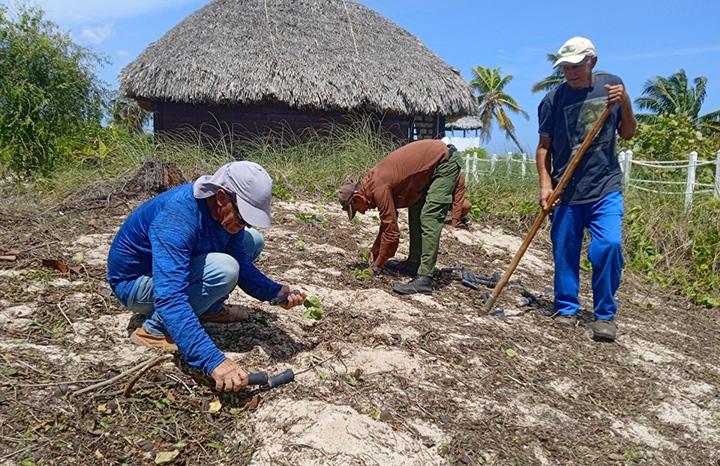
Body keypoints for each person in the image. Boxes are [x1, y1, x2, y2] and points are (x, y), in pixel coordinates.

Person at [107, 161, 307, 392]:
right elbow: (170, 297)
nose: (247, 223)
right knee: (225, 269)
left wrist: (275, 292)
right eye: (243, 217)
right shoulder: (178, 218)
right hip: (136, 284)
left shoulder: (222, 212)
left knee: (252, 241)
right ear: (221, 197)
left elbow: (241, 261)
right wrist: (213, 360)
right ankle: (154, 329)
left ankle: (208, 310)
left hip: (168, 272)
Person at [536, 37, 636, 341]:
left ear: (592, 61)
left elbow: (628, 134)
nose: (570, 73)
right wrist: (545, 184)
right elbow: (543, 148)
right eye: (565, 68)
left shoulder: (612, 88)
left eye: (576, 66)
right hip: (566, 189)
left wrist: (625, 103)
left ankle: (604, 315)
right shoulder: (553, 101)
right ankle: (566, 308)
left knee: (608, 245)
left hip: (605, 185)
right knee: (564, 250)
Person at [338, 138, 462, 295]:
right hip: (432, 166)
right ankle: (414, 263)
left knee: (429, 216)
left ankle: (425, 278)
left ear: (358, 198)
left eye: (356, 209)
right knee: (416, 209)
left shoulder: (378, 187)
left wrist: (377, 267)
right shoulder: (371, 185)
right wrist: (376, 248)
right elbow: (388, 220)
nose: (361, 213)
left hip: (445, 162)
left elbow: (392, 233)